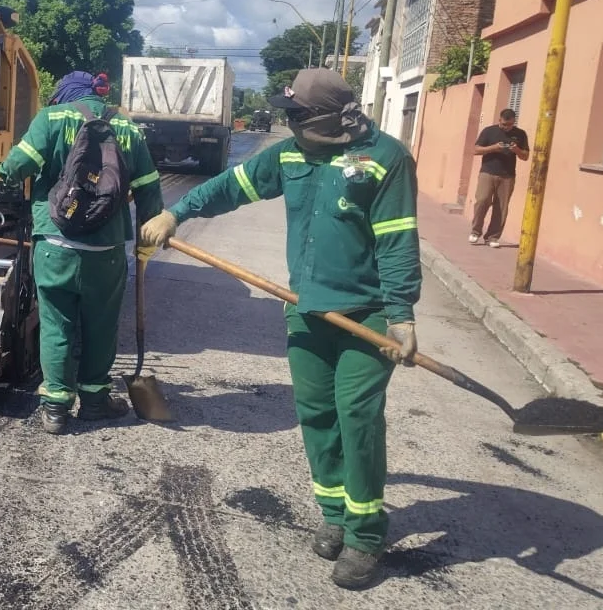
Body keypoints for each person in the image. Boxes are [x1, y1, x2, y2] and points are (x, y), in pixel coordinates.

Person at [139, 68, 421, 590]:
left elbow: (397, 239)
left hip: (368, 314)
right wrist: (178, 214)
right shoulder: (290, 155)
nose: (289, 124)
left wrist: (401, 313)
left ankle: (365, 534)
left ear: (332, 118)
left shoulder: (385, 158)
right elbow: (232, 186)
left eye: (297, 116)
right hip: (306, 309)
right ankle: (335, 514)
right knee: (316, 414)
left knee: (357, 417)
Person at [0, 71, 164, 435]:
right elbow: (148, 187)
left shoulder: (51, 118)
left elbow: (18, 166)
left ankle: (55, 407)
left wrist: (0, 174)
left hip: (56, 244)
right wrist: (147, 242)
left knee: (56, 324)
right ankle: (95, 402)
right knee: (101, 326)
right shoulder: (128, 128)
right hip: (106, 250)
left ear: (65, 95)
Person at [470, 108, 529, 248]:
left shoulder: (520, 134)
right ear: (499, 120)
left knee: (501, 207)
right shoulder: (489, 131)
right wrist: (494, 148)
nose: (506, 127)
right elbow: (476, 150)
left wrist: (516, 150)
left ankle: (493, 237)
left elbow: (525, 156)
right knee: (482, 200)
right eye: (503, 124)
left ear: (514, 122)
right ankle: (475, 231)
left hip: (507, 175)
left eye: (509, 125)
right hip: (488, 172)